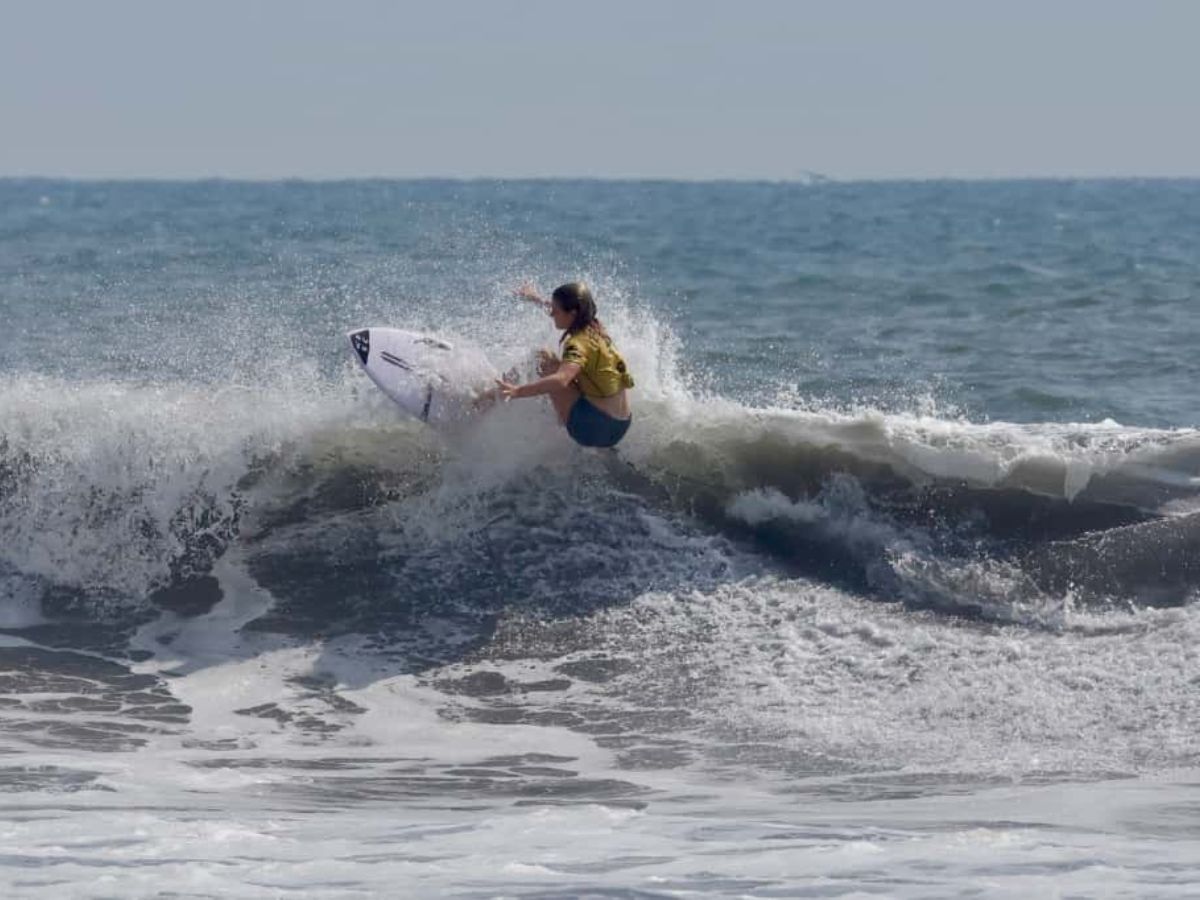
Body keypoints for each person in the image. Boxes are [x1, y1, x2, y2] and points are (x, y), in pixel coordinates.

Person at [495, 282, 634, 448]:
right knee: (563, 367)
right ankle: (500, 391)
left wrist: (518, 391)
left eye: (556, 310)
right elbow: (562, 309)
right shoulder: (595, 326)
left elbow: (561, 380)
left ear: (572, 313)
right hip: (621, 424)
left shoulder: (577, 344)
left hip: (595, 429)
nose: (552, 313)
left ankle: (497, 392)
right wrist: (535, 298)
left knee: (543, 360)